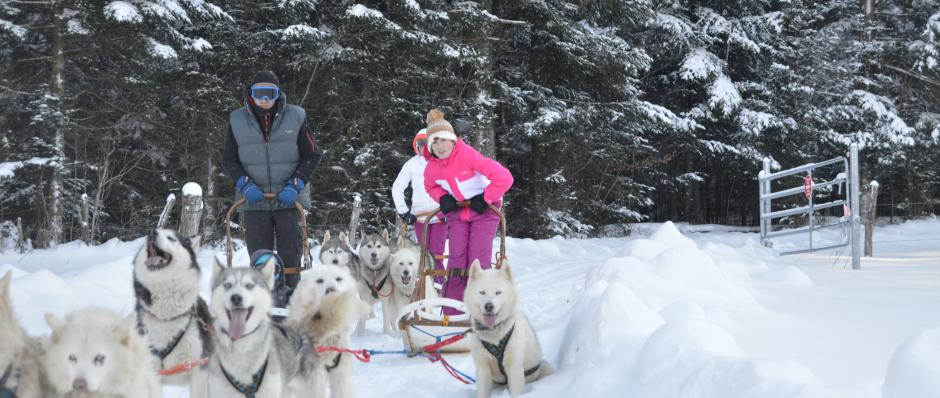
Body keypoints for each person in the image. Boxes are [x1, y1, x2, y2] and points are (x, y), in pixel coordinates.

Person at [221, 70, 321, 314]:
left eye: (270, 93)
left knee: (290, 260)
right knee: (260, 261)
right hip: (253, 201)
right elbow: (229, 160)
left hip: (288, 201)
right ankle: (260, 311)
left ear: (278, 95)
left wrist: (295, 186)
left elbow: (313, 155)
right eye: (259, 93)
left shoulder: (296, 117)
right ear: (251, 95)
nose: (264, 99)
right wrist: (244, 184)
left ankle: (292, 310)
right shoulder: (237, 120)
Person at [422, 109, 513, 315]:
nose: (439, 146)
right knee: (456, 261)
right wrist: (443, 199)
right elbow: (430, 187)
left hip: (484, 211)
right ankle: (453, 314)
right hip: (459, 214)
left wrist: (485, 197)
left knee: (477, 262)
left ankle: (480, 311)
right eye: (434, 142)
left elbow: (505, 178)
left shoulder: (467, 155)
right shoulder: (431, 168)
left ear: (453, 140)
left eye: (443, 140)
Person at [391, 128, 447, 286]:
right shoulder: (412, 164)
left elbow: (452, 186)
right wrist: (404, 212)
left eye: (427, 143)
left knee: (436, 253)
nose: (424, 147)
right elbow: (397, 187)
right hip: (420, 217)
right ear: (416, 146)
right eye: (420, 144)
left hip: (440, 216)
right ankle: (423, 285)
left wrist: (451, 208)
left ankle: (438, 285)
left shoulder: (442, 162)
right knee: (422, 253)